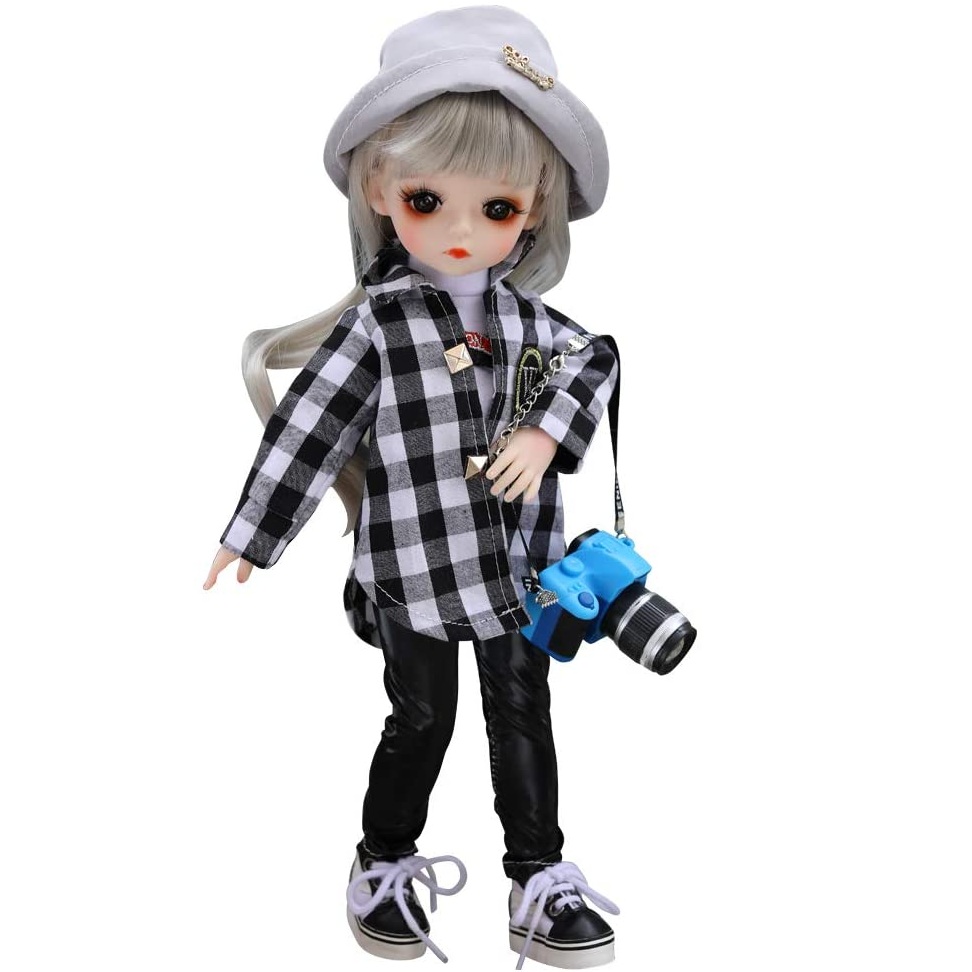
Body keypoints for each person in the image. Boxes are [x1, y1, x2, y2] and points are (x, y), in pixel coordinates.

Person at [204, 7, 620, 967]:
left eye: (498, 208)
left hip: (521, 571)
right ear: (380, 190)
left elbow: (596, 358)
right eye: (429, 200)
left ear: (536, 207)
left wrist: (548, 432)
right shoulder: (378, 328)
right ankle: (383, 859)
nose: (463, 231)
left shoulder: (534, 323)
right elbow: (310, 426)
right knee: (422, 719)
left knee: (523, 713)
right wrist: (253, 533)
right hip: (413, 569)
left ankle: (537, 876)